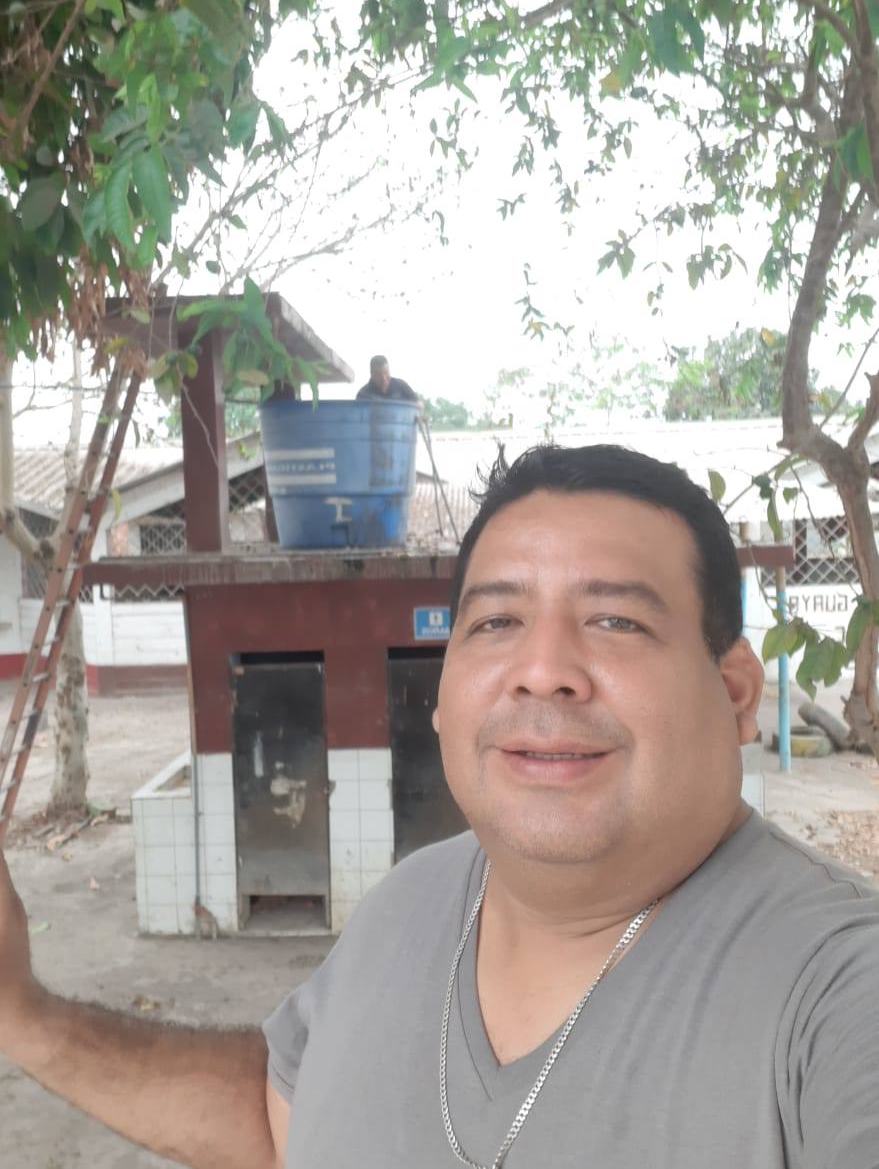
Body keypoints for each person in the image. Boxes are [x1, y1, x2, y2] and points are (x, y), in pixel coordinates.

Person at [0, 443, 877, 1168]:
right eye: (496, 623)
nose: (542, 670)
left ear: (733, 693)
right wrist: (22, 1014)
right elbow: (281, 1122)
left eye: (615, 621)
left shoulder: (837, 993)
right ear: (442, 691)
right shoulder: (407, 903)